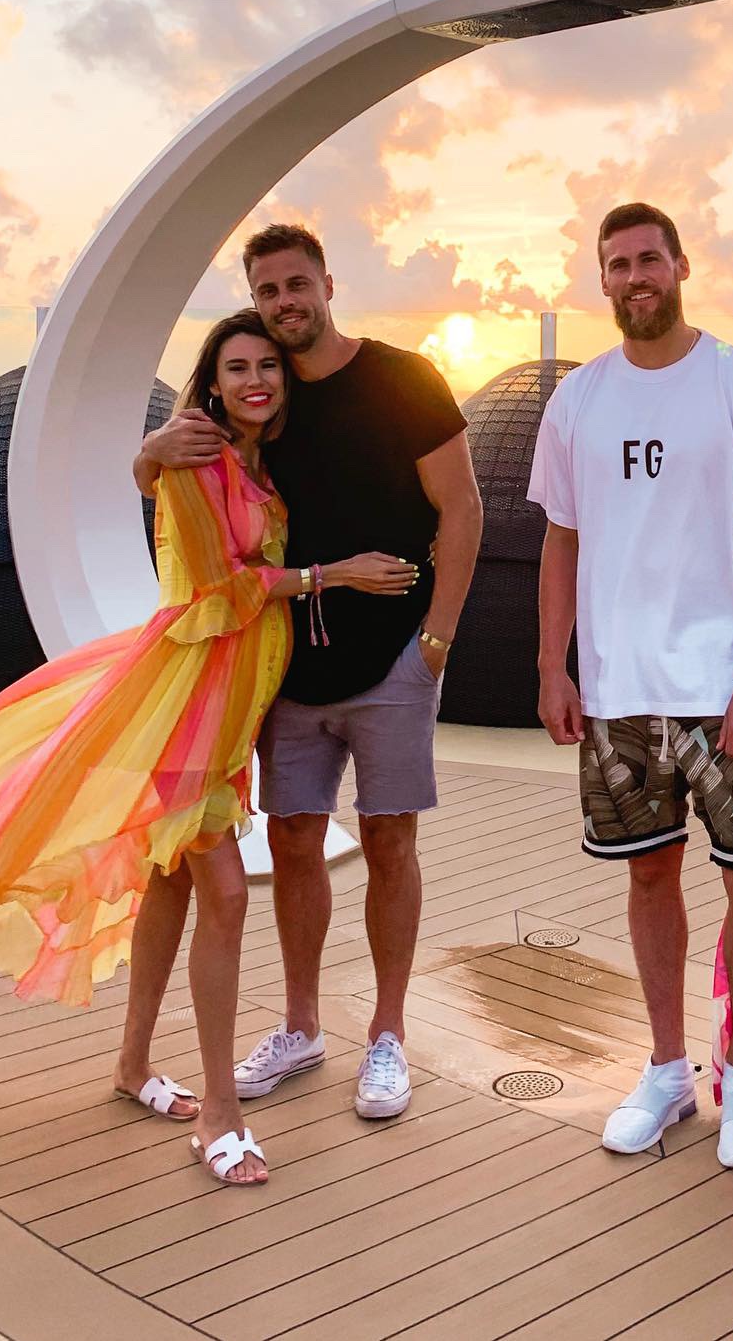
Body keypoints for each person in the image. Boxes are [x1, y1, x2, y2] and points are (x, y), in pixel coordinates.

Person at [0, 311, 416, 1187]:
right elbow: (216, 590)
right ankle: (220, 1115)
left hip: (230, 705)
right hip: (186, 700)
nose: (257, 380)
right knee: (225, 894)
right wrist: (328, 575)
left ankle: (131, 1063)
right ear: (212, 383)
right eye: (237, 367)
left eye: (269, 365)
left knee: (172, 880)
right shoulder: (196, 459)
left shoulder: (260, 462)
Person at [136, 224, 483, 1121]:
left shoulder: (403, 377)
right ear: (255, 299)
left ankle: (388, 1034)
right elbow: (169, 482)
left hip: (395, 656)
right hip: (286, 663)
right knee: (293, 840)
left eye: (298, 284)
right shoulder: (261, 404)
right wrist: (149, 453)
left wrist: (437, 640)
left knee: (389, 841)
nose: (286, 302)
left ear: (328, 283)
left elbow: (462, 507)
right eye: (268, 290)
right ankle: (301, 1025)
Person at [528, 202, 733, 1169]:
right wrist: (554, 665)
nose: (635, 277)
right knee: (648, 872)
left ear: (682, 265)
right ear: (602, 280)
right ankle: (665, 1071)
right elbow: (561, 538)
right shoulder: (578, 399)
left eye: (649, 258)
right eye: (617, 264)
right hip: (619, 691)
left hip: (724, 684)